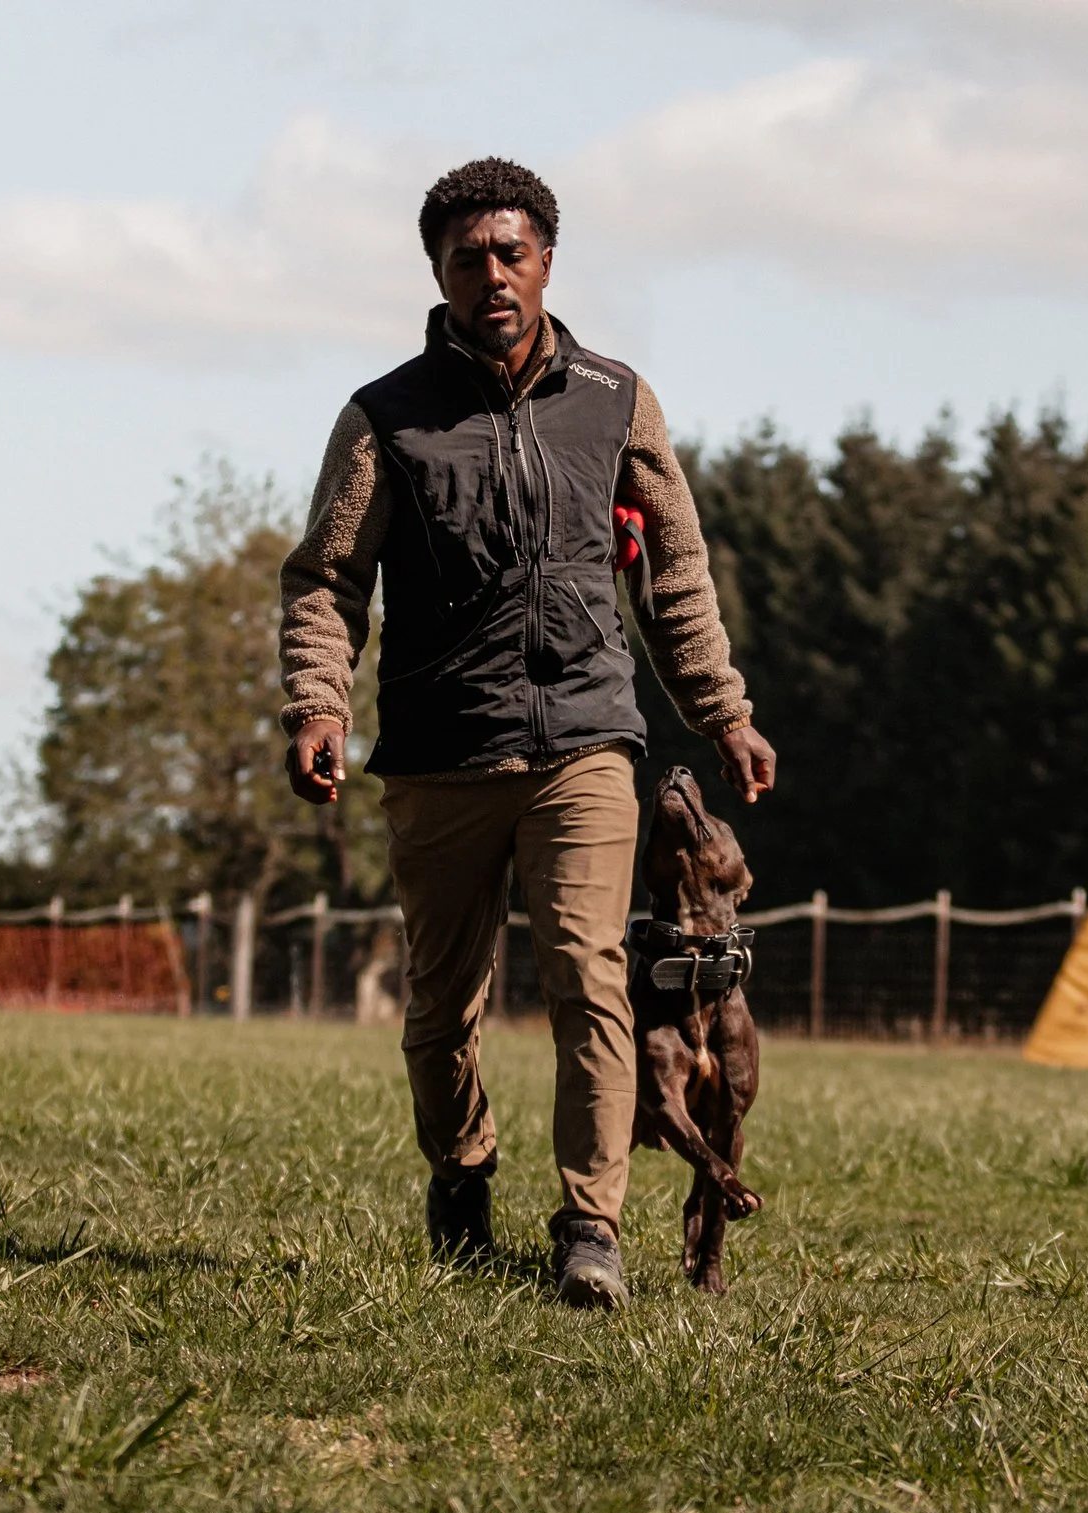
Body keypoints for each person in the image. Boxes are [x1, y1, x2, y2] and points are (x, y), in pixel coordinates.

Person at [277, 157, 777, 1309]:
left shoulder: (615, 398)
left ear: (547, 260)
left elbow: (678, 576)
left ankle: (588, 1224)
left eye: (511, 253)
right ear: (438, 273)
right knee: (442, 1002)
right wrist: (318, 700)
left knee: (590, 976)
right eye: (468, 258)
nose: (491, 275)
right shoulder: (384, 418)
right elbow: (326, 578)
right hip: (442, 750)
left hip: (587, 743)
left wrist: (724, 713)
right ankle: (461, 1170)